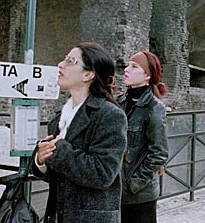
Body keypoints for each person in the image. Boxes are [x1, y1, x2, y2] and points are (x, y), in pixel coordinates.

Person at [33, 42, 127, 223]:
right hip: (58, 215)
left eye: (70, 61)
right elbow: (60, 175)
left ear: (88, 74)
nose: (61, 64)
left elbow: (103, 174)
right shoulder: (60, 116)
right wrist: (40, 160)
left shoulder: (110, 115)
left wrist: (58, 150)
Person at [119, 50, 169, 223]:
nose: (126, 69)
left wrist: (133, 184)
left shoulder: (155, 107)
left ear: (147, 76)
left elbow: (159, 154)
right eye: (127, 65)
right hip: (116, 191)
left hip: (139, 196)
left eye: (134, 66)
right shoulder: (120, 103)